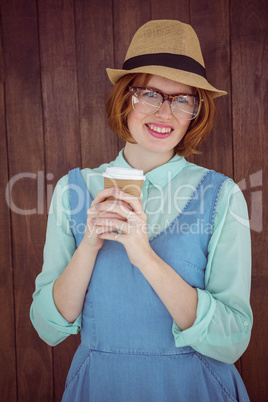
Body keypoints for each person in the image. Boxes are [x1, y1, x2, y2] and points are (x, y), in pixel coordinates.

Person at [30, 20, 253, 401]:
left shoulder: (223, 195)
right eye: (149, 94)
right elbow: (49, 328)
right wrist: (88, 245)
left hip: (194, 388)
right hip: (101, 387)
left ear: (195, 113)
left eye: (182, 99)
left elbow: (231, 340)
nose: (164, 114)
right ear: (124, 99)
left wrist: (144, 256)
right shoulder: (73, 190)